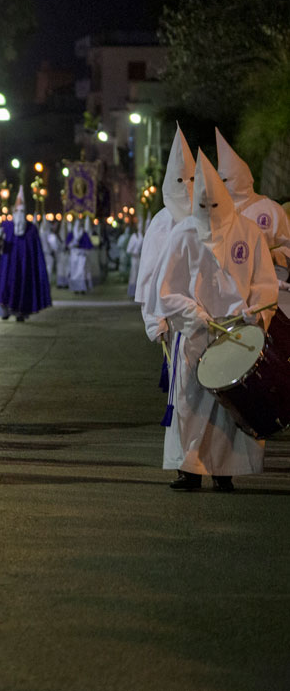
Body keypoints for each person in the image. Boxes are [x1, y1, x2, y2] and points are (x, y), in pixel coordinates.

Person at [155, 151, 276, 492]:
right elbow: (166, 289)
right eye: (202, 207)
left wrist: (255, 313)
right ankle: (190, 468)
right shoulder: (184, 234)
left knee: (232, 407)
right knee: (191, 402)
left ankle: (226, 469)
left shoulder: (248, 232)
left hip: (236, 331)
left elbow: (263, 282)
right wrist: (194, 313)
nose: (209, 215)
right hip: (196, 331)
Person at [215, 129, 290, 316]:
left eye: (228, 179)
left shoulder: (271, 209)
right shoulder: (214, 213)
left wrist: (273, 256)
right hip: (227, 298)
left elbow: (287, 246)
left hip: (271, 296)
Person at [135, 127, 196, 342]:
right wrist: (154, 322)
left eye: (192, 179)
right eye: (180, 181)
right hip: (174, 319)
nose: (187, 187)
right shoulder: (161, 223)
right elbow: (149, 275)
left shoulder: (208, 217)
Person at [0, 187, 51, 320]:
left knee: (22, 289)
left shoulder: (31, 229)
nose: (20, 214)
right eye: (17, 211)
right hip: (7, 266)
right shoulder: (7, 226)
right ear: (14, 211)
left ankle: (21, 312)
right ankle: (5, 311)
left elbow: (35, 251)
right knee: (6, 287)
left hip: (24, 267)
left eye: (22, 211)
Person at [67, 216, 94, 294]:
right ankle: (75, 289)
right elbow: (68, 245)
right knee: (74, 272)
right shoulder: (72, 234)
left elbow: (88, 246)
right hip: (74, 256)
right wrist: (73, 244)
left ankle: (82, 288)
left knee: (82, 272)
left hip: (82, 256)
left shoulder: (84, 234)